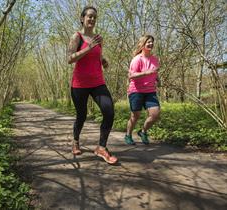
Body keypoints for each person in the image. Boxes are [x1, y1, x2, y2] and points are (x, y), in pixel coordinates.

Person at [67, 6, 117, 164]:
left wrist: (103, 60)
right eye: (89, 16)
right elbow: (70, 58)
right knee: (81, 115)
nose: (92, 19)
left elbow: (98, 55)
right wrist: (87, 48)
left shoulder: (98, 38)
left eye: (95, 17)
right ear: (82, 18)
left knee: (109, 111)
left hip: (97, 82)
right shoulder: (77, 36)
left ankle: (102, 147)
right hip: (79, 84)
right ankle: (75, 141)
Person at [124, 35, 160, 145]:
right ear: (142, 44)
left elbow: (155, 72)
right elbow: (131, 76)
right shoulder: (137, 59)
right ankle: (128, 135)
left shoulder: (155, 59)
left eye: (152, 42)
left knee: (155, 114)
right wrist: (146, 73)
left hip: (150, 91)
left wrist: (158, 79)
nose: (150, 44)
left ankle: (143, 132)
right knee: (136, 116)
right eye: (148, 42)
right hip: (136, 90)